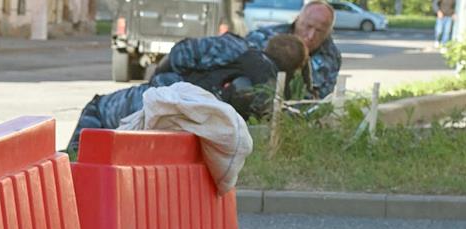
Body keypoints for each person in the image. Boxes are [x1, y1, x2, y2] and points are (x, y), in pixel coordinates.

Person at [68, 33, 308, 151]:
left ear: (269, 45)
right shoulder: (274, 96)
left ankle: (72, 166)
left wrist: (158, 80)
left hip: (164, 99)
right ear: (294, 69)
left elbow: (180, 54)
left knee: (97, 109)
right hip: (190, 132)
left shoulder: (236, 48)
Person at [246, 0, 341, 98]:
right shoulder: (262, 38)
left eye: (319, 31)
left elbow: (324, 100)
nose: (311, 36)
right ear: (297, 20)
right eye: (308, 26)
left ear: (329, 32)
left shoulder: (331, 56)